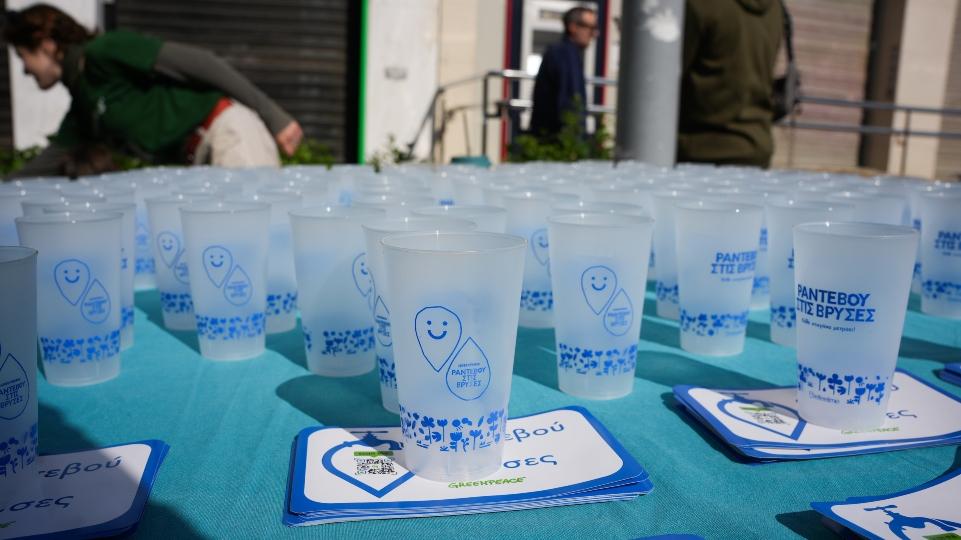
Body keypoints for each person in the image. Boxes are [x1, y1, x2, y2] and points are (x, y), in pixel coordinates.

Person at [3, 4, 304, 178]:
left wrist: (273, 116)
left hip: (227, 134)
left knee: (250, 238)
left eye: (22, 56)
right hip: (197, 160)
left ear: (46, 44)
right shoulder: (84, 99)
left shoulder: (105, 51)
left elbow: (203, 63)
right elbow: (52, 158)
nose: (25, 69)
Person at [677, 0, 783, 167]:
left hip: (699, 150)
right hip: (757, 146)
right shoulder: (776, 7)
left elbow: (660, 80)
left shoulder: (701, 5)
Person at [529, 6, 597, 139]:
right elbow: (569, 102)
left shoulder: (566, 53)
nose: (594, 33)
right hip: (557, 140)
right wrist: (574, 141)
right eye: (590, 27)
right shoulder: (565, 55)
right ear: (573, 27)